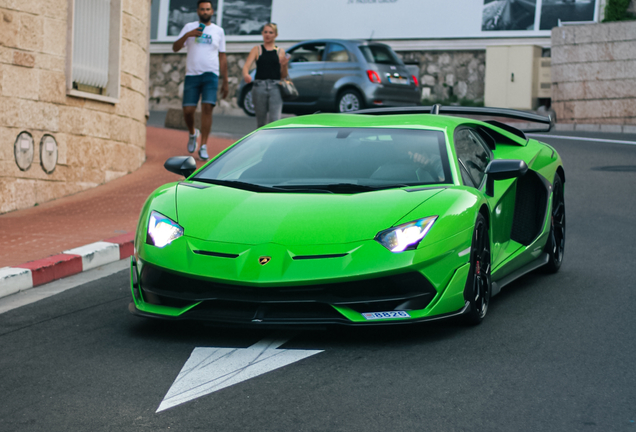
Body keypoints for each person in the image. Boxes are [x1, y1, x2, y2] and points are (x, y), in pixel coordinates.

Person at [172, 0, 229, 160]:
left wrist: (225, 81)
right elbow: (175, 48)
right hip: (192, 74)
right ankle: (192, 133)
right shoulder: (189, 27)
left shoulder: (218, 31)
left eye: (208, 9)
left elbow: (222, 57)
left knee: (207, 109)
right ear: (198, 11)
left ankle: (203, 145)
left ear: (212, 11)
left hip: (211, 74)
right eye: (202, 9)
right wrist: (187, 35)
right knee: (188, 111)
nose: (205, 12)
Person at [241, 23, 289, 128]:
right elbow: (246, 66)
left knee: (274, 121)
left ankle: (273, 143)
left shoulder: (280, 51)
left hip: (275, 87)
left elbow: (284, 75)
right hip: (259, 86)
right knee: (261, 121)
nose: (267, 35)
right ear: (262, 33)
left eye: (271, 32)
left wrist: (284, 65)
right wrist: (246, 75)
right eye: (265, 32)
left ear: (276, 35)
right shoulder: (257, 49)